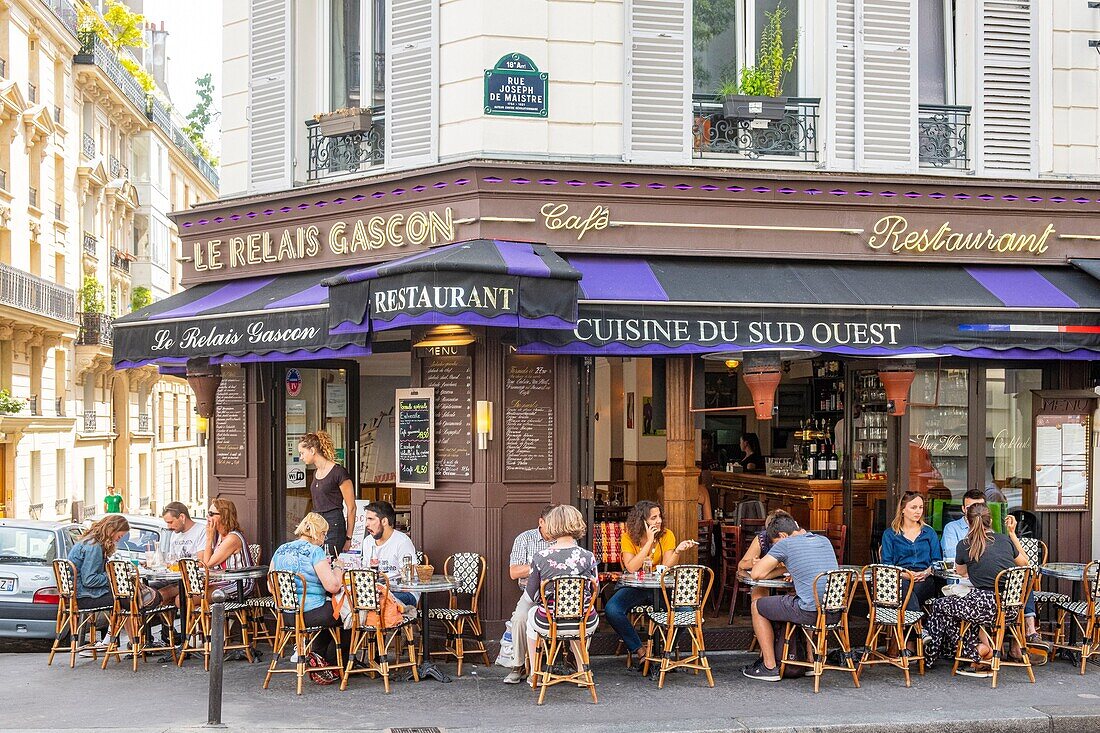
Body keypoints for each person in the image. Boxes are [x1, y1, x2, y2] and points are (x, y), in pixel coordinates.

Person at [922, 504, 1030, 676]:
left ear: (969, 522)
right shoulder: (1005, 540)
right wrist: (1012, 534)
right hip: (1010, 610)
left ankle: (971, 651)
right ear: (991, 520)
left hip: (981, 607)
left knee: (940, 606)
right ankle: (978, 650)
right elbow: (1025, 565)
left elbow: (961, 572)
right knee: (958, 608)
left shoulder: (964, 545)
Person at [742, 515, 839, 682]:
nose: (774, 548)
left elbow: (757, 573)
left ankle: (769, 666)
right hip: (834, 613)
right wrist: (785, 567)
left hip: (808, 612)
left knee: (757, 605)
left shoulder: (786, 544)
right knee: (803, 596)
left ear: (783, 535)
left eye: (774, 543)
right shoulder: (824, 540)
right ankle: (810, 662)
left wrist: (780, 565)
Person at [604, 501, 696, 665]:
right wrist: (648, 542)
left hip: (660, 588)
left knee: (686, 612)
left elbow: (666, 567)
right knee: (612, 609)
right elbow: (631, 567)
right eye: (654, 518)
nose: (659, 521)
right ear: (642, 520)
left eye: (659, 516)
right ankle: (640, 650)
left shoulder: (667, 535)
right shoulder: (629, 537)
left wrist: (677, 552)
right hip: (636, 588)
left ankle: (665, 651)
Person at [523, 505, 599, 685]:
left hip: (550, 622)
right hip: (585, 622)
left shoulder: (540, 557)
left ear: (551, 525)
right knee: (578, 617)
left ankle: (536, 673)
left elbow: (530, 597)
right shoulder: (588, 557)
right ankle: (582, 672)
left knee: (530, 618)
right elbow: (594, 589)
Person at [269, 512, 348, 674]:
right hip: (310, 613)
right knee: (346, 615)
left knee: (330, 613)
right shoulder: (315, 552)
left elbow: (271, 587)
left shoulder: (281, 550)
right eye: (324, 534)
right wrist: (339, 568)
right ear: (319, 533)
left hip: (286, 615)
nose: (324, 539)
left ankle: (319, 659)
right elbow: (333, 586)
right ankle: (335, 665)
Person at [503, 505, 555, 684]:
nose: (556, 528)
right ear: (541, 522)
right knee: (519, 618)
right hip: (531, 594)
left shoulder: (564, 540)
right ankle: (518, 666)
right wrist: (539, 566)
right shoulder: (525, 539)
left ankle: (565, 661)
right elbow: (514, 572)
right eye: (552, 523)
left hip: (557, 594)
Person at [880, 491, 942, 634]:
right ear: (902, 509)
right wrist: (906, 575)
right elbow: (886, 565)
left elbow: (937, 560)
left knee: (910, 592)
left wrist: (926, 572)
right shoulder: (890, 534)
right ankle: (919, 631)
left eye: (920, 507)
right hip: (899, 578)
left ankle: (907, 640)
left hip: (924, 578)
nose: (918, 511)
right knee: (904, 587)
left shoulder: (929, 533)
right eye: (913, 507)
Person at [298, 432, 355, 555]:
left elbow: (351, 507)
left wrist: (348, 538)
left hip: (333, 523)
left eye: (302, 453)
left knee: (329, 560)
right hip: (317, 524)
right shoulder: (316, 473)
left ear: (312, 450)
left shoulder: (339, 472)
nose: (301, 457)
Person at [362, 501, 419, 607]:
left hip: (404, 592)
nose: (366, 524)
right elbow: (366, 570)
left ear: (384, 521)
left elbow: (411, 575)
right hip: (377, 591)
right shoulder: (367, 542)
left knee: (378, 599)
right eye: (366, 519)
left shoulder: (402, 541)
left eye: (371, 519)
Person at [197, 498, 254, 600]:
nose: (207, 517)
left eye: (211, 514)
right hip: (221, 581)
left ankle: (208, 616)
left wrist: (209, 538)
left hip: (239, 583)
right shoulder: (220, 536)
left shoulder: (232, 538)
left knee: (196, 598)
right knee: (184, 596)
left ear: (223, 516)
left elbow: (207, 564)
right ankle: (202, 616)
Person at [153, 502, 208, 605]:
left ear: (182, 517)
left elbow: (201, 562)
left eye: (170, 522)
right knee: (148, 590)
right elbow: (171, 560)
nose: (169, 527)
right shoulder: (174, 535)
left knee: (159, 596)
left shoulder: (201, 531)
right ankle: (164, 620)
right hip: (176, 579)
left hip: (195, 579)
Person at [737, 509, 794, 605]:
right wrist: (752, 562)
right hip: (766, 578)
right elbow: (741, 565)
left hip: (790, 582)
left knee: (794, 594)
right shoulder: (763, 539)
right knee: (757, 597)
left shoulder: (795, 540)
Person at [941, 488, 986, 561]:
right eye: (969, 508)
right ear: (963, 509)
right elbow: (953, 557)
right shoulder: (951, 528)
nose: (974, 512)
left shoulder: (988, 528)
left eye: (979, 508)